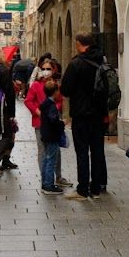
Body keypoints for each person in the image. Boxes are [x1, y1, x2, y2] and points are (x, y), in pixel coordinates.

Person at [59, 33, 110, 200]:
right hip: (99, 114)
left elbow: (65, 90)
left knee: (82, 152)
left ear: (79, 44)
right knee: (97, 151)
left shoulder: (76, 63)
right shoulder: (102, 61)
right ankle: (96, 188)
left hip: (81, 114)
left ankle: (82, 190)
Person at [23, 57, 64, 195]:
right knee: (43, 151)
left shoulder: (56, 85)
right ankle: (45, 179)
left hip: (52, 122)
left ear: (53, 70)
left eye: (48, 69)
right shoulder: (36, 85)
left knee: (55, 151)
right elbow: (28, 101)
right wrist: (37, 111)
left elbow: (60, 101)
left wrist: (54, 109)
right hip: (39, 121)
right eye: (43, 69)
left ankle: (57, 177)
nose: (46, 71)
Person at [36, 79, 68, 197]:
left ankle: (45, 183)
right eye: (58, 90)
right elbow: (53, 120)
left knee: (46, 159)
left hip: (45, 135)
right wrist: (62, 123)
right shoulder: (51, 106)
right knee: (51, 161)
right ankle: (49, 185)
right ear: (55, 92)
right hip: (52, 136)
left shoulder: (44, 104)